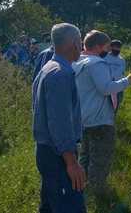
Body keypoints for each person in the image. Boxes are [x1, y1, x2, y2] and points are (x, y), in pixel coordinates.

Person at [73, 30, 131, 198]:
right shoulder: (97, 63)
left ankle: (83, 187)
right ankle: (97, 193)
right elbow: (106, 88)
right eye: (107, 47)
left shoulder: (77, 62)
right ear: (98, 47)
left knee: (86, 155)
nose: (109, 50)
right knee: (101, 158)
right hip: (100, 120)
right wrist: (129, 80)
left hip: (83, 117)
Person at [32, 23, 86, 212]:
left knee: (49, 206)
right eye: (80, 42)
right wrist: (71, 163)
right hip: (58, 156)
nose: (82, 47)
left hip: (48, 151)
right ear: (73, 44)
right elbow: (59, 122)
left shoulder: (48, 67)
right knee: (70, 207)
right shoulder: (60, 74)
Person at [105, 39, 126, 108]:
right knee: (107, 106)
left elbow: (123, 73)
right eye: (115, 47)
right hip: (108, 85)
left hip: (118, 86)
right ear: (111, 47)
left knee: (116, 105)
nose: (117, 49)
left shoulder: (121, 60)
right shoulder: (105, 57)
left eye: (119, 47)